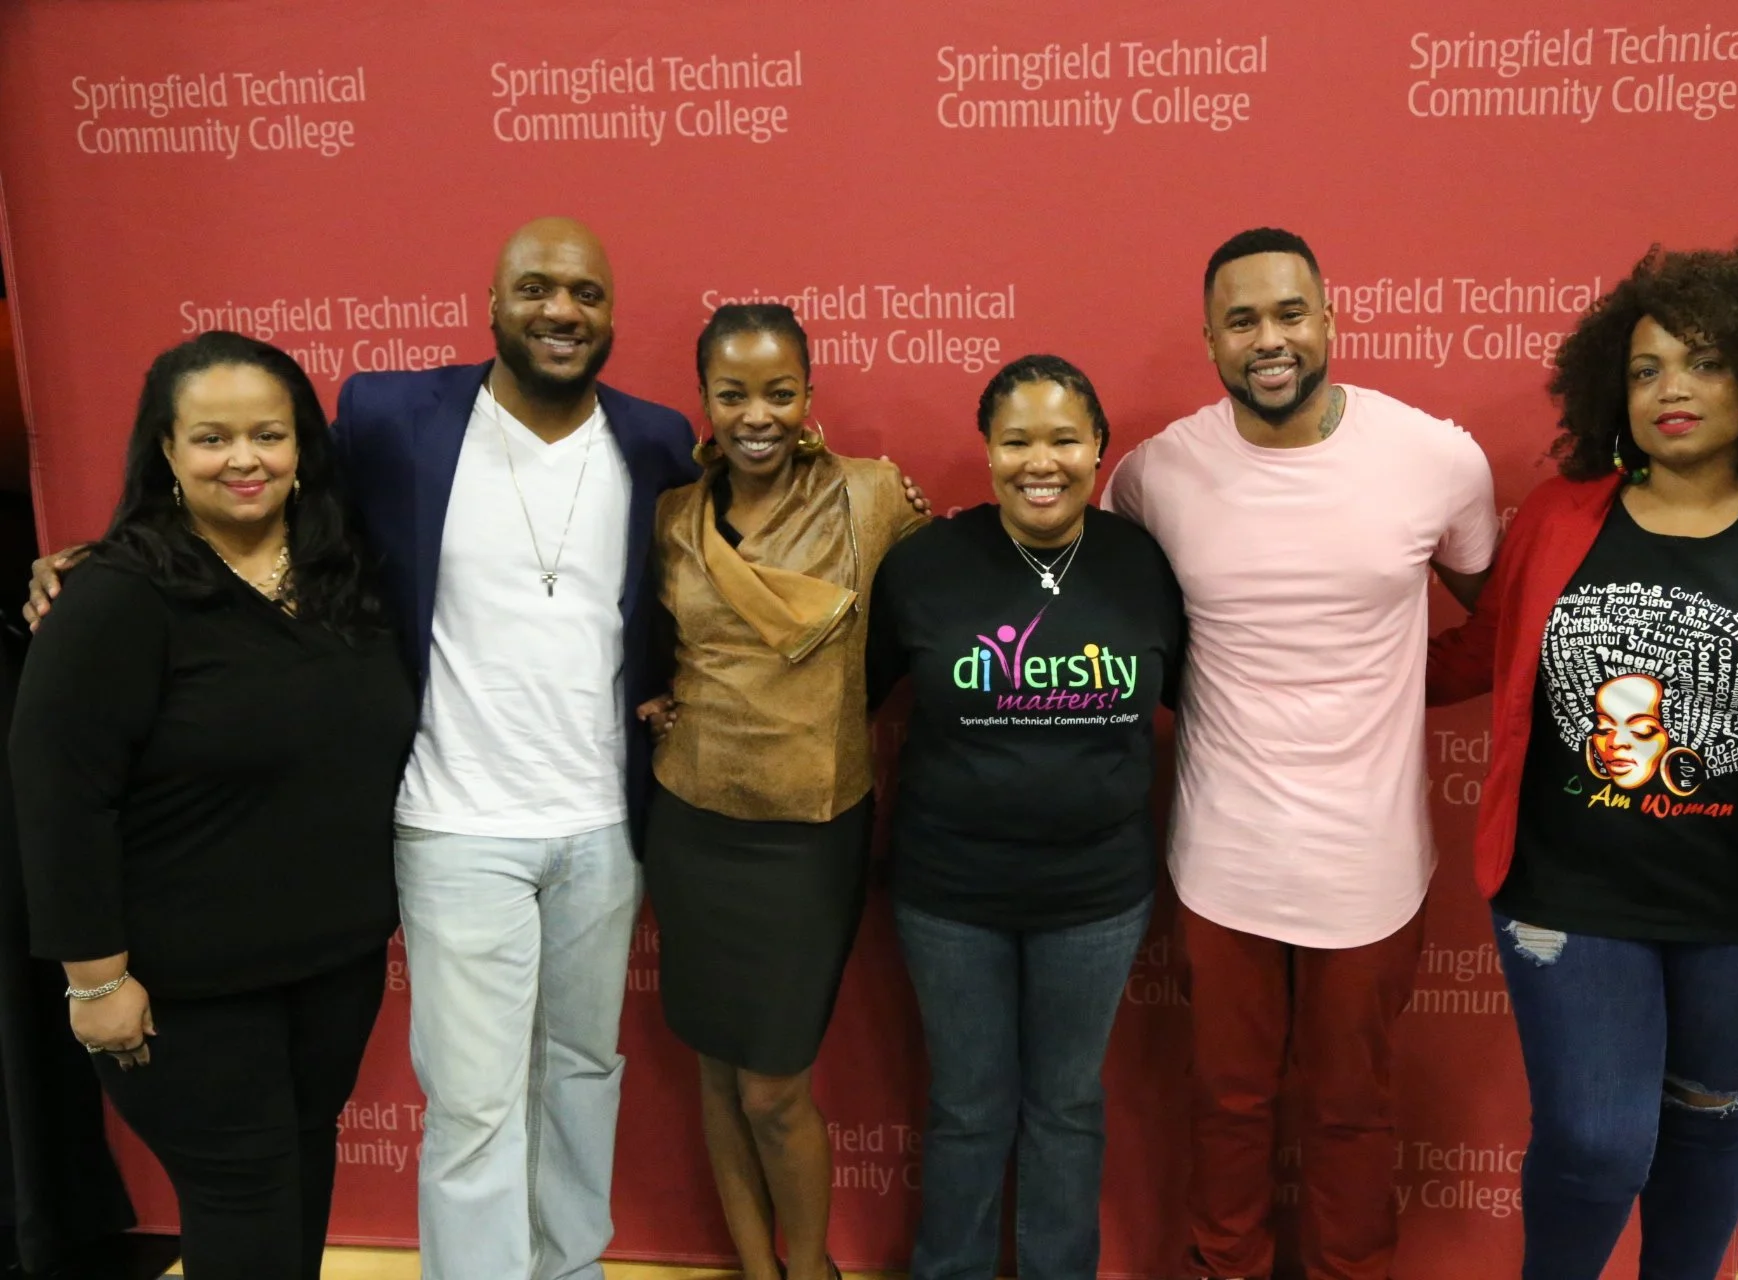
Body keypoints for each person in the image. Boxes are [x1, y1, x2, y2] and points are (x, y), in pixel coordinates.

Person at [27, 218, 698, 1280]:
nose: (560, 310)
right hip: (454, 826)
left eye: (584, 292)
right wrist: (89, 562)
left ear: (611, 313)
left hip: (604, 829)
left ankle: (570, 1269)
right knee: (474, 1106)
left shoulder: (656, 439)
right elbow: (245, 483)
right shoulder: (393, 416)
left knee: (583, 1074)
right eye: (534, 287)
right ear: (492, 303)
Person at [1426, 242, 1738, 1280]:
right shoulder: (1560, 518)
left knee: (1708, 1117)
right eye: (1646, 369)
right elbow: (1476, 655)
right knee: (1597, 1140)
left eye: (1704, 362)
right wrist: (1301, 665)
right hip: (1567, 891)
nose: (1671, 390)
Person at [1102, 227, 1499, 1280]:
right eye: (1241, 321)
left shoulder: (1435, 458)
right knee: (1226, 1103)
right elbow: (1116, 620)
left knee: (1352, 1110)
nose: (1268, 340)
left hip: (1371, 863)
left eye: (1288, 313)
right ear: (1210, 340)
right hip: (1222, 857)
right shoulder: (1154, 475)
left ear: (1330, 317)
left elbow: (1497, 616)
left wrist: (1398, 686)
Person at [8, 331, 414, 1279]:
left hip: (331, 971)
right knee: (249, 1217)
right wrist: (95, 982)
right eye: (212, 438)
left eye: (268, 435)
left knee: (298, 1188)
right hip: (182, 997)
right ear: (166, 450)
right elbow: (60, 797)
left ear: (302, 447)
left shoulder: (344, 574)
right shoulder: (114, 596)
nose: (244, 459)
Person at [865, 354, 1184, 1280]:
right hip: (950, 895)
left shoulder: (1144, 565)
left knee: (1067, 1107)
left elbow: (1204, 694)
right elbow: (848, 698)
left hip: (1096, 896)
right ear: (988, 450)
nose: (1040, 462)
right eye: (1016, 441)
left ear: (1099, 449)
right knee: (967, 1108)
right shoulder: (924, 565)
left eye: (1064, 440)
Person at [641, 303, 925, 1280]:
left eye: (778, 392)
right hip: (691, 823)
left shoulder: (871, 496)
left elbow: (939, 607)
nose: (755, 414)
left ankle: (810, 1269)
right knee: (718, 1071)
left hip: (810, 831)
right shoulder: (673, 517)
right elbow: (646, 645)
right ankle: (757, 1270)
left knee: (772, 1088)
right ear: (705, 400)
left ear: (809, 395)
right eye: (732, 394)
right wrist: (650, 700)